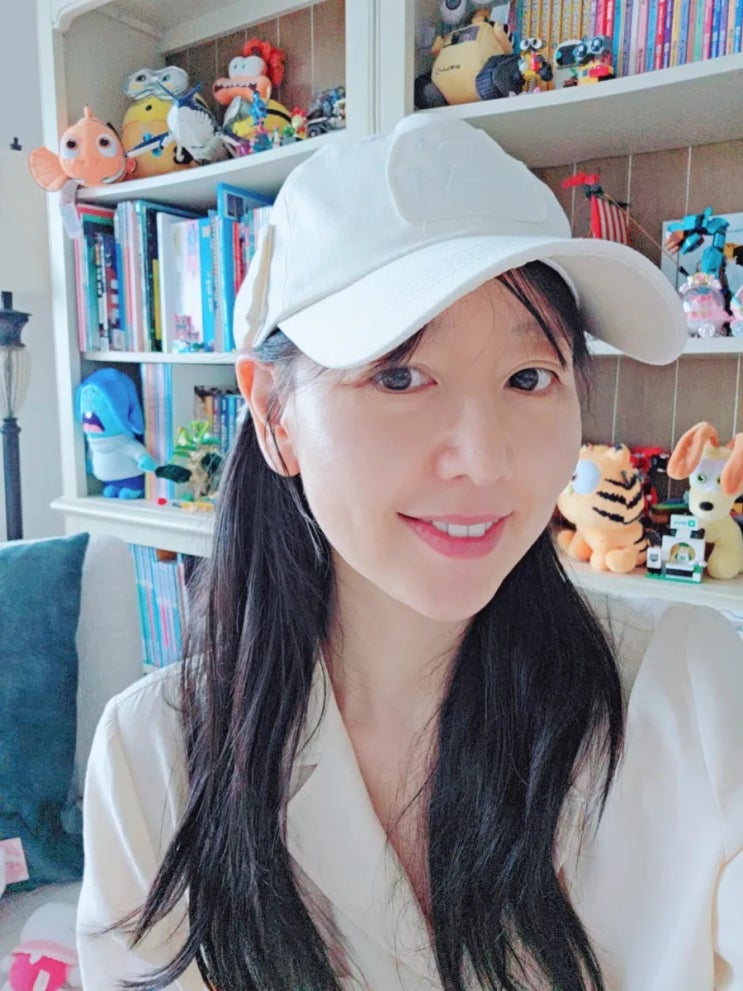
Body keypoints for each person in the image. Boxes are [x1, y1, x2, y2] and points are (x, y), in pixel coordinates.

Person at [77, 115, 743, 991]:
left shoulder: (692, 691)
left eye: (529, 377)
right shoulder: (154, 756)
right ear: (274, 414)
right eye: (398, 375)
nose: (484, 460)